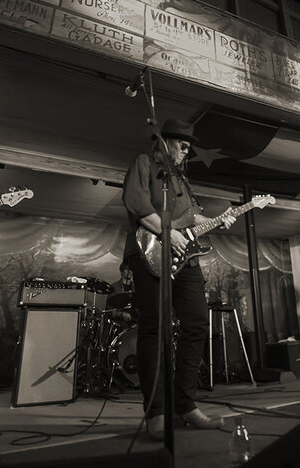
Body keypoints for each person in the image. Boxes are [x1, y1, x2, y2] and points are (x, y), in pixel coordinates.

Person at [121, 118, 235, 439]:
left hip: (186, 259)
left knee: (197, 323)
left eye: (188, 146)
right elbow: (136, 204)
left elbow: (191, 215)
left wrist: (218, 219)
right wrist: (168, 234)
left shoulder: (180, 179)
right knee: (155, 328)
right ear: (164, 142)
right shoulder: (144, 163)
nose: (187, 150)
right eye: (182, 144)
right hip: (151, 251)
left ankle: (185, 404)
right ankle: (156, 411)